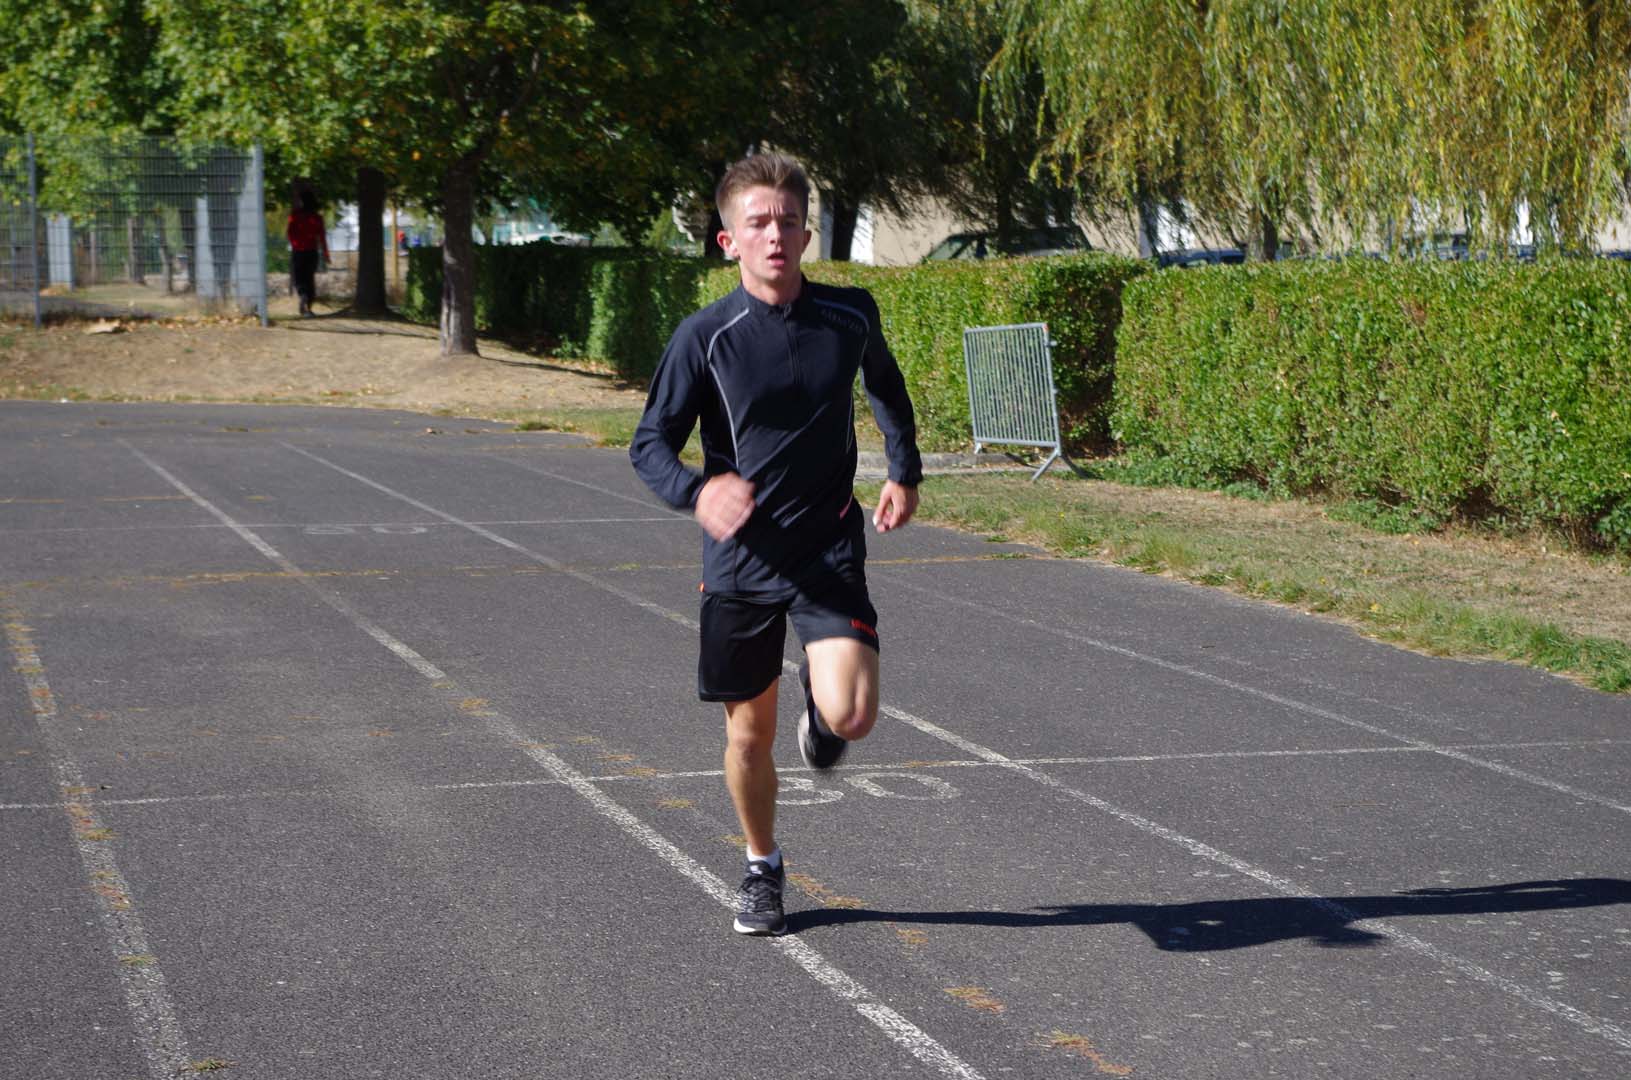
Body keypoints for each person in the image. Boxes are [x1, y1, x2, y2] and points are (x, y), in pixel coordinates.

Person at [630, 153, 922, 936]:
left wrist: (903, 471)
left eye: (788, 222)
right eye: (757, 223)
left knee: (852, 716)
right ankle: (762, 865)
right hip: (741, 561)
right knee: (748, 736)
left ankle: (822, 715)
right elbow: (648, 444)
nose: (774, 236)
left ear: (805, 235)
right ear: (728, 240)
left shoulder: (849, 316)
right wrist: (698, 491)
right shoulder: (704, 337)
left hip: (826, 548)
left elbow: (885, 387)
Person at [286, 190, 329, 318]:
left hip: (298, 251)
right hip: (312, 252)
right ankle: (308, 308)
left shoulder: (295, 216)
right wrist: (326, 254)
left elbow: (290, 233)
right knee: (309, 278)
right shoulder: (317, 218)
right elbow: (322, 237)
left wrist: (295, 244)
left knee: (299, 278)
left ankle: (302, 295)